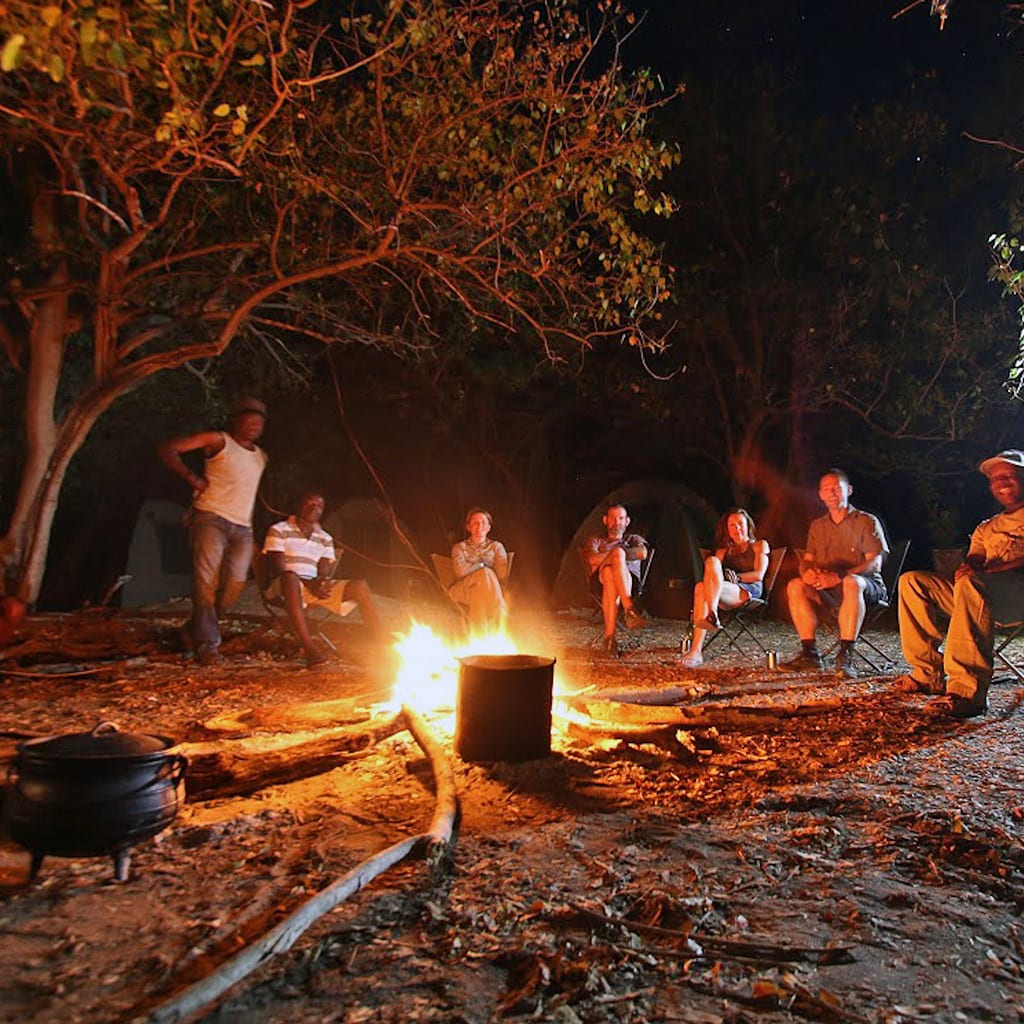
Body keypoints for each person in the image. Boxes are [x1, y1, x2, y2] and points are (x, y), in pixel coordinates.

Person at [893, 449, 1024, 719]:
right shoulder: (987, 527)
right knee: (913, 581)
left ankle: (967, 692)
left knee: (972, 583)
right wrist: (969, 567)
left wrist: (988, 570)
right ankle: (927, 673)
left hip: (1017, 596)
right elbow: (975, 559)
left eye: (1009, 475)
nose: (1002, 482)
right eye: (995, 478)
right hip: (982, 596)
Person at [158, 397, 269, 667]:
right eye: (249, 417)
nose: (255, 423)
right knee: (206, 581)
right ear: (236, 419)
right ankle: (207, 646)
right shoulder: (217, 440)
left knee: (235, 584)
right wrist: (191, 477)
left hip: (242, 526)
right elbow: (168, 448)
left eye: (260, 419)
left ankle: (192, 630)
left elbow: (246, 494)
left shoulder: (262, 456)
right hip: (210, 518)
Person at [785, 468, 888, 678]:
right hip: (829, 592)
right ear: (820, 495)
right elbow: (807, 561)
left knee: (852, 582)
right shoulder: (818, 526)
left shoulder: (866, 521)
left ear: (848, 490)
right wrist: (807, 573)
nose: (832, 493)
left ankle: (846, 655)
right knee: (795, 585)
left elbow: (875, 563)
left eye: (836, 488)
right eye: (826, 489)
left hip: (866, 589)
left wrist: (839, 577)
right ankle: (810, 654)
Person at [262, 492, 383, 667]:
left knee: (360, 586)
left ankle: (382, 643)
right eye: (310, 504)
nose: (315, 508)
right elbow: (279, 569)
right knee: (290, 577)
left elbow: (324, 569)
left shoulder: (325, 538)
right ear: (298, 506)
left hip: (311, 587)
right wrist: (310, 583)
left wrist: (323, 581)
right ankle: (310, 649)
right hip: (284, 587)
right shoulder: (279, 529)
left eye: (319, 505)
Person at [680, 508, 769, 669]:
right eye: (732, 525)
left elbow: (759, 575)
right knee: (708, 571)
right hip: (723, 592)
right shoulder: (723, 551)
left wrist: (737, 578)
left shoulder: (759, 545)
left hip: (748, 592)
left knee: (703, 588)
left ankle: (700, 642)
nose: (737, 529)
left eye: (740, 524)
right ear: (727, 530)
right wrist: (723, 579)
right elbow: (713, 575)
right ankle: (710, 620)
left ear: (748, 525)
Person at [583, 504, 650, 654]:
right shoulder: (596, 541)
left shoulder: (633, 539)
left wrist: (614, 557)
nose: (617, 522)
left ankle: (610, 639)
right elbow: (592, 560)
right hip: (598, 583)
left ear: (627, 521)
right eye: (613, 518)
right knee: (615, 558)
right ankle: (629, 609)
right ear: (605, 520)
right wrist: (616, 555)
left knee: (609, 571)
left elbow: (642, 553)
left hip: (629, 583)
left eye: (620, 518)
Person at [449, 507, 510, 633]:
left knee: (477, 591)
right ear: (468, 527)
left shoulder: (496, 547)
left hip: (485, 590)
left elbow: (502, 574)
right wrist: (483, 566)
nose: (479, 526)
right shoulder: (459, 548)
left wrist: (473, 567)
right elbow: (461, 572)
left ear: (488, 527)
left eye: (483, 522)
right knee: (486, 572)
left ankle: (479, 636)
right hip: (463, 589)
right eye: (475, 523)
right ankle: (500, 613)